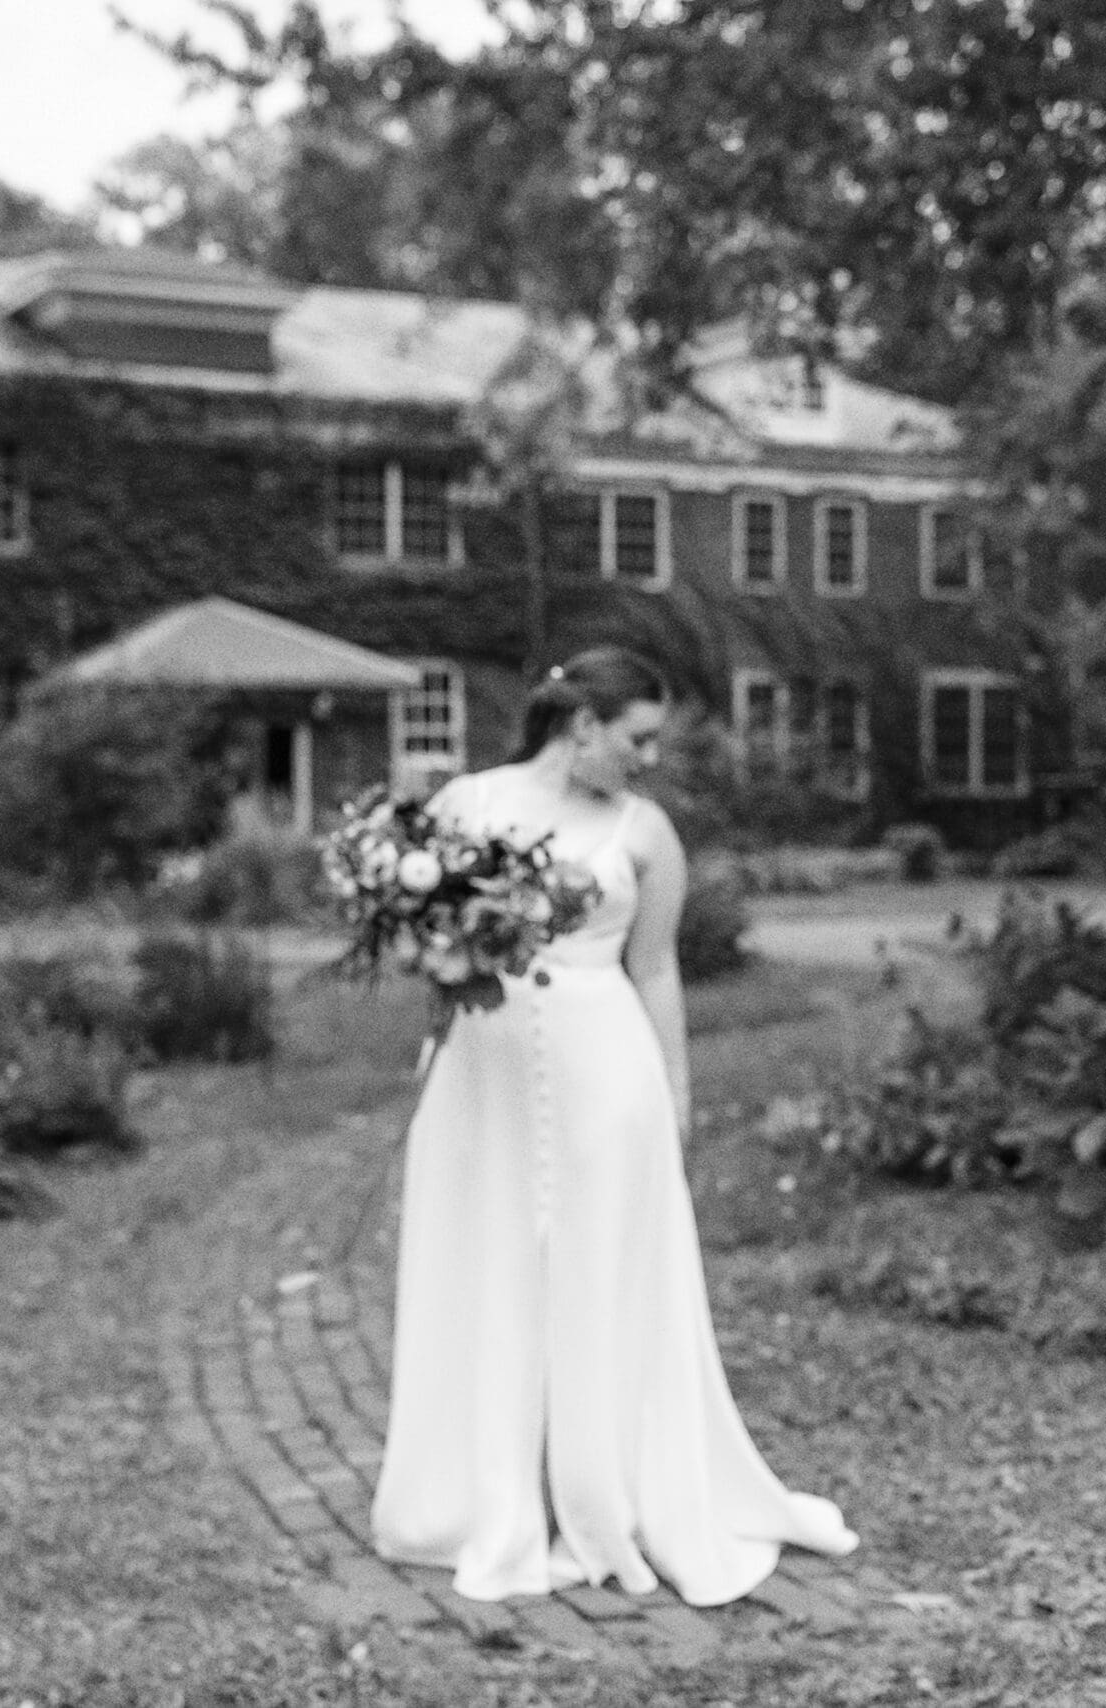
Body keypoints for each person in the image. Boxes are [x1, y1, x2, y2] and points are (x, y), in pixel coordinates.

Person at [369, 647, 858, 1606]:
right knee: (491, 1258)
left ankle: (602, 1488)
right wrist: (434, 952)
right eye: (636, 737)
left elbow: (657, 969)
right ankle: (485, 1493)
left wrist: (675, 1094)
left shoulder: (647, 831)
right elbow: (416, 940)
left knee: (597, 1270)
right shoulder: (468, 806)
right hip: (484, 1066)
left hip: (606, 1065)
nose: (648, 757)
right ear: (581, 724)